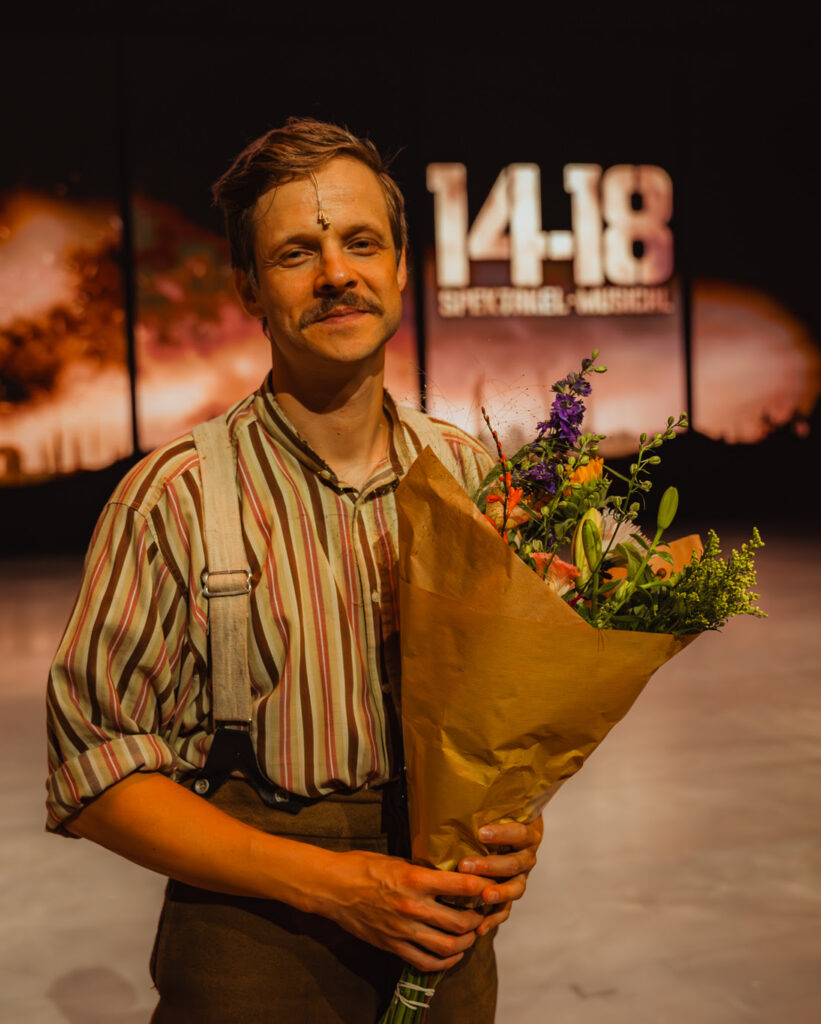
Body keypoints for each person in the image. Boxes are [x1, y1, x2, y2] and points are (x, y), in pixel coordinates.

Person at [45, 118, 541, 1023]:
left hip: (442, 937)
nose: (336, 274)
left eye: (361, 243)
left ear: (400, 270)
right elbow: (95, 775)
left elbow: (512, 711)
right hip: (253, 947)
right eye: (295, 254)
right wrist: (332, 884)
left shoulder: (471, 477)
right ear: (249, 291)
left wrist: (514, 828)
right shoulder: (176, 498)